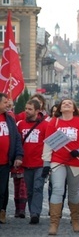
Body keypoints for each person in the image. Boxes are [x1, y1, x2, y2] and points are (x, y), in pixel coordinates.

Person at [41, 98, 79, 235]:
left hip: (76, 162)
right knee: (57, 189)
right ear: (60, 108)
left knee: (74, 192)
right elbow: (48, 144)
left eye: (69, 103)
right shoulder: (54, 122)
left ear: (74, 108)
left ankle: (75, 220)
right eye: (63, 103)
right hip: (58, 161)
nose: (66, 104)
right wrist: (46, 163)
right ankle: (54, 224)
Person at [16, 99, 48, 224]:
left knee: (38, 187)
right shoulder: (21, 125)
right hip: (26, 162)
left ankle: (35, 213)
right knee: (29, 190)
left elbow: (49, 143)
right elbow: (18, 142)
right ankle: (32, 211)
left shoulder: (45, 125)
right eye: (26, 109)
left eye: (30, 109)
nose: (27, 111)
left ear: (37, 111)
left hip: (40, 162)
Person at [0, 93, 24, 224]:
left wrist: (19, 155)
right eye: (4, 102)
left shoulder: (9, 119)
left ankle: (2, 211)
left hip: (4, 162)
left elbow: (16, 139)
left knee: (2, 190)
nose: (7, 104)